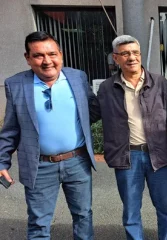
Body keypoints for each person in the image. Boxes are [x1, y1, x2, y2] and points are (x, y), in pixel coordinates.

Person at [0, 31, 97, 239]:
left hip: (77, 161)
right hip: (39, 166)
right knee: (39, 224)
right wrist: (2, 162)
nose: (47, 61)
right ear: (28, 58)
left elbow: (94, 110)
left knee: (83, 216)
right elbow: (11, 129)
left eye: (52, 54)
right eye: (38, 55)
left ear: (60, 54)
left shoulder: (77, 77)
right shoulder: (15, 84)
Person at [93, 35, 167, 240]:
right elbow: (91, 115)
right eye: (125, 53)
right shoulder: (106, 88)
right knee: (131, 211)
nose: (131, 57)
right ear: (116, 58)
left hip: (159, 155)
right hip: (127, 156)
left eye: (135, 52)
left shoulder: (159, 82)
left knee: (165, 207)